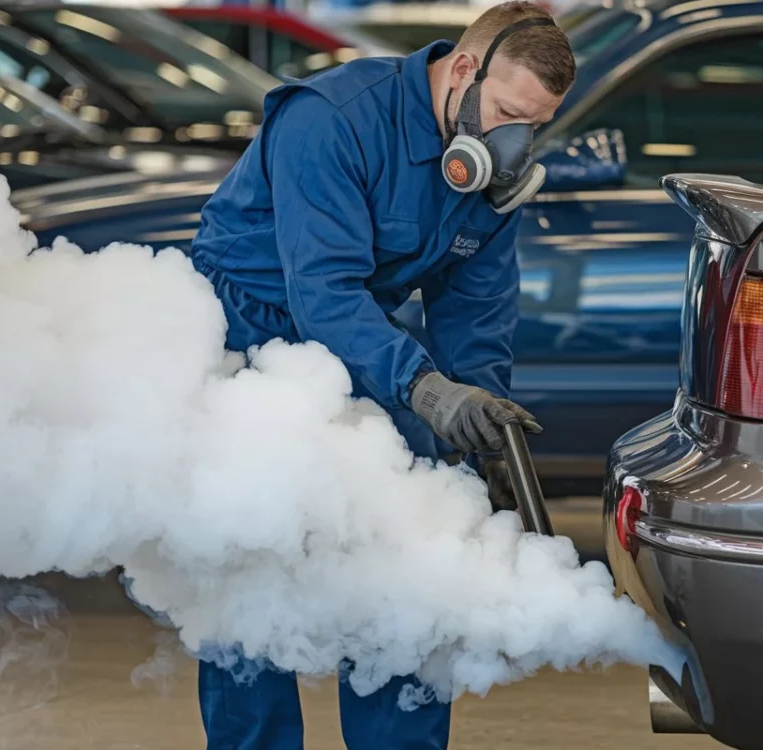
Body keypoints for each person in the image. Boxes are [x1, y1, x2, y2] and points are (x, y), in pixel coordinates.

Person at [189, 2, 575, 747]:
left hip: (361, 335)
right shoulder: (331, 120)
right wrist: (424, 390)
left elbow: (477, 306)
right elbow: (324, 291)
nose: (515, 141)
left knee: (412, 552)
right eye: (505, 113)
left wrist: (476, 417)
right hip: (249, 334)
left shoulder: (489, 170)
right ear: (463, 70)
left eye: (536, 124)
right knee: (252, 562)